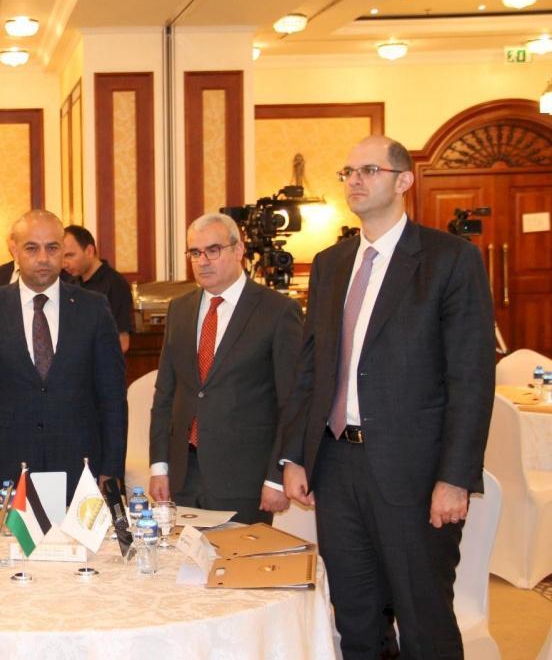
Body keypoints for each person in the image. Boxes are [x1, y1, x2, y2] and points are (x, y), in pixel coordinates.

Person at [280, 135, 495, 659]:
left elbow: (471, 379)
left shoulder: (449, 259)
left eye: (369, 170)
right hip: (337, 467)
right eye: (348, 172)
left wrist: (455, 478)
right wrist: (295, 455)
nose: (354, 180)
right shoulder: (330, 264)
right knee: (357, 621)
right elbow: (311, 369)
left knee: (424, 625)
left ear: (404, 181)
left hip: (414, 473)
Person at [0, 209, 128, 507]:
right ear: (14, 250)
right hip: (8, 468)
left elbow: (113, 398)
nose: (43, 258)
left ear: (63, 251)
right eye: (31, 248)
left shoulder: (93, 308)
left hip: (81, 468)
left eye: (52, 248)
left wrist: (111, 470)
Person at [148, 213, 301, 524]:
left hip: (245, 478)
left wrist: (277, 477)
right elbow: (166, 393)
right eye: (195, 253)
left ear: (238, 250)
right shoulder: (180, 309)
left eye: (213, 250)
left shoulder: (278, 311)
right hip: (183, 475)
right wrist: (159, 466)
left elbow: (292, 402)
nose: (203, 261)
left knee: (241, 557)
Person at [62, 224, 134, 353]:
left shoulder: (115, 284)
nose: (64, 264)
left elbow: (122, 342)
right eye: (61, 257)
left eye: (69, 255)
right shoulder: (70, 282)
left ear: (89, 251)